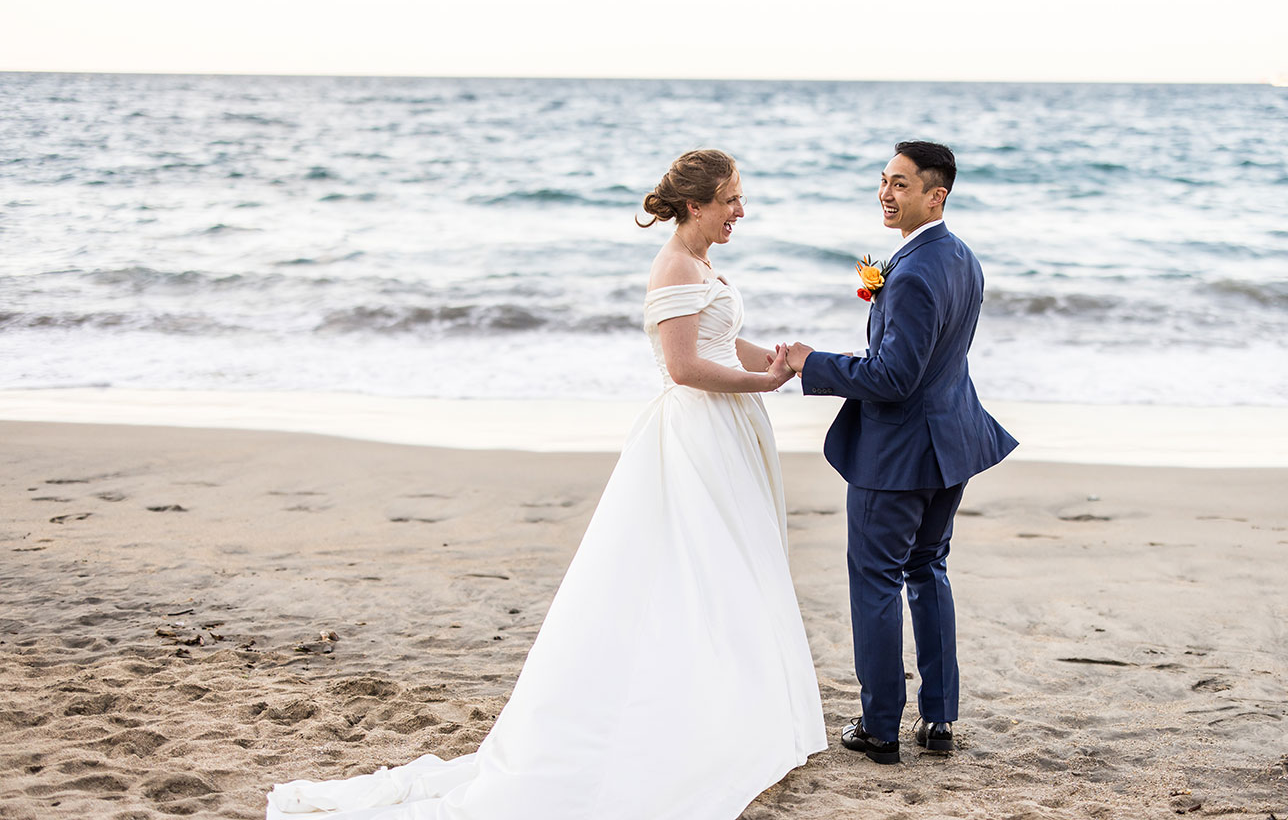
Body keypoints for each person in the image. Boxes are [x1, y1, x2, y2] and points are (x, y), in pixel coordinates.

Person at [266, 149, 825, 819]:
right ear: (696, 204)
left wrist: (783, 361)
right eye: (731, 199)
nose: (741, 210)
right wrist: (760, 383)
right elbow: (683, 367)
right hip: (695, 435)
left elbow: (721, 340)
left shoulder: (702, 264)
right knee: (696, 571)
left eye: (739, 198)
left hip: (724, 431)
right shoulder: (675, 265)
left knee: (731, 569)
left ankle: (736, 703)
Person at [785, 140, 1017, 765]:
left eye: (901, 184)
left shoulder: (913, 272)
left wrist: (814, 364)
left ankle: (881, 727)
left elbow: (893, 378)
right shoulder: (961, 258)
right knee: (928, 569)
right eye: (884, 181)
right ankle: (939, 719)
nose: (886, 193)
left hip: (898, 455)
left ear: (935, 195)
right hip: (952, 442)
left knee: (878, 579)